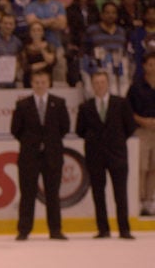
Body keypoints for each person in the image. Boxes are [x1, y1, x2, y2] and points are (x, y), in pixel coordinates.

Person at [76, 70, 138, 239]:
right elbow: (80, 130)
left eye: (102, 82)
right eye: (96, 83)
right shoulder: (85, 107)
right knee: (98, 193)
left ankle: (124, 229)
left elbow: (130, 127)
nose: (99, 86)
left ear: (108, 84)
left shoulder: (121, 103)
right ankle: (103, 229)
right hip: (95, 156)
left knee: (120, 193)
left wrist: (116, 141)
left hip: (117, 155)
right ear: (92, 85)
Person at [11, 70, 71, 240]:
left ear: (49, 83)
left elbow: (64, 127)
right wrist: (32, 143)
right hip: (29, 156)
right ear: (32, 84)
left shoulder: (58, 103)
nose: (40, 85)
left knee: (53, 194)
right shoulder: (23, 105)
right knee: (27, 193)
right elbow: (15, 130)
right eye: (37, 82)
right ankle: (24, 230)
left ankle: (55, 230)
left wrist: (49, 142)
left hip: (52, 156)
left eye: (43, 82)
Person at [126, 50, 155, 216]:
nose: (153, 68)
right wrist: (142, 120)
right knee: (142, 167)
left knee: (153, 168)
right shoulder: (136, 87)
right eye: (150, 64)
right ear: (144, 66)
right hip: (141, 131)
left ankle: (149, 200)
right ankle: (139, 199)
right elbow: (127, 110)